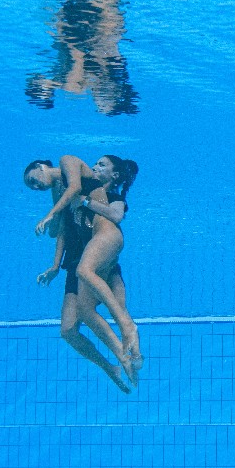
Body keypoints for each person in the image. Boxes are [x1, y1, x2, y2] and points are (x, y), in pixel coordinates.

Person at [24, 156, 139, 387]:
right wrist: (55, 265)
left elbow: (79, 191)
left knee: (109, 299)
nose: (35, 187)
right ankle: (116, 364)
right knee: (70, 328)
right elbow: (61, 230)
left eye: (33, 180)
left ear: (40, 166)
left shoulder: (69, 164)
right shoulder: (60, 191)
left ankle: (131, 342)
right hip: (78, 259)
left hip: (101, 252)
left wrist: (52, 213)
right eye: (32, 187)